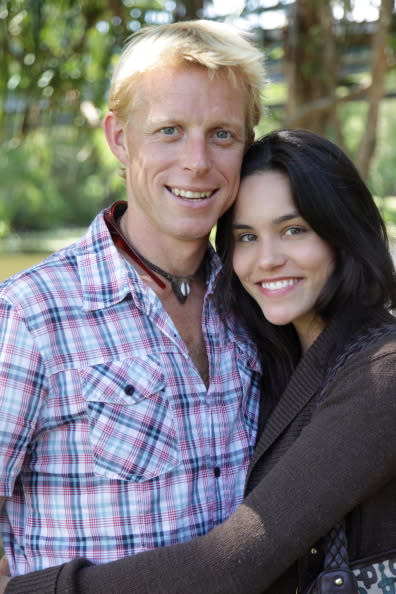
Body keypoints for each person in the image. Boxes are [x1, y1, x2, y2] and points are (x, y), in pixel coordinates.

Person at [4, 129, 395, 594]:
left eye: (294, 230)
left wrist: (30, 590)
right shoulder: (267, 354)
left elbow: (232, 563)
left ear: (341, 233)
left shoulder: (381, 372)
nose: (266, 259)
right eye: (246, 237)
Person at [0, 19, 266, 586]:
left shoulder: (257, 306)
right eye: (169, 130)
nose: (197, 161)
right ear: (120, 138)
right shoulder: (31, 313)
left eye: (222, 134)